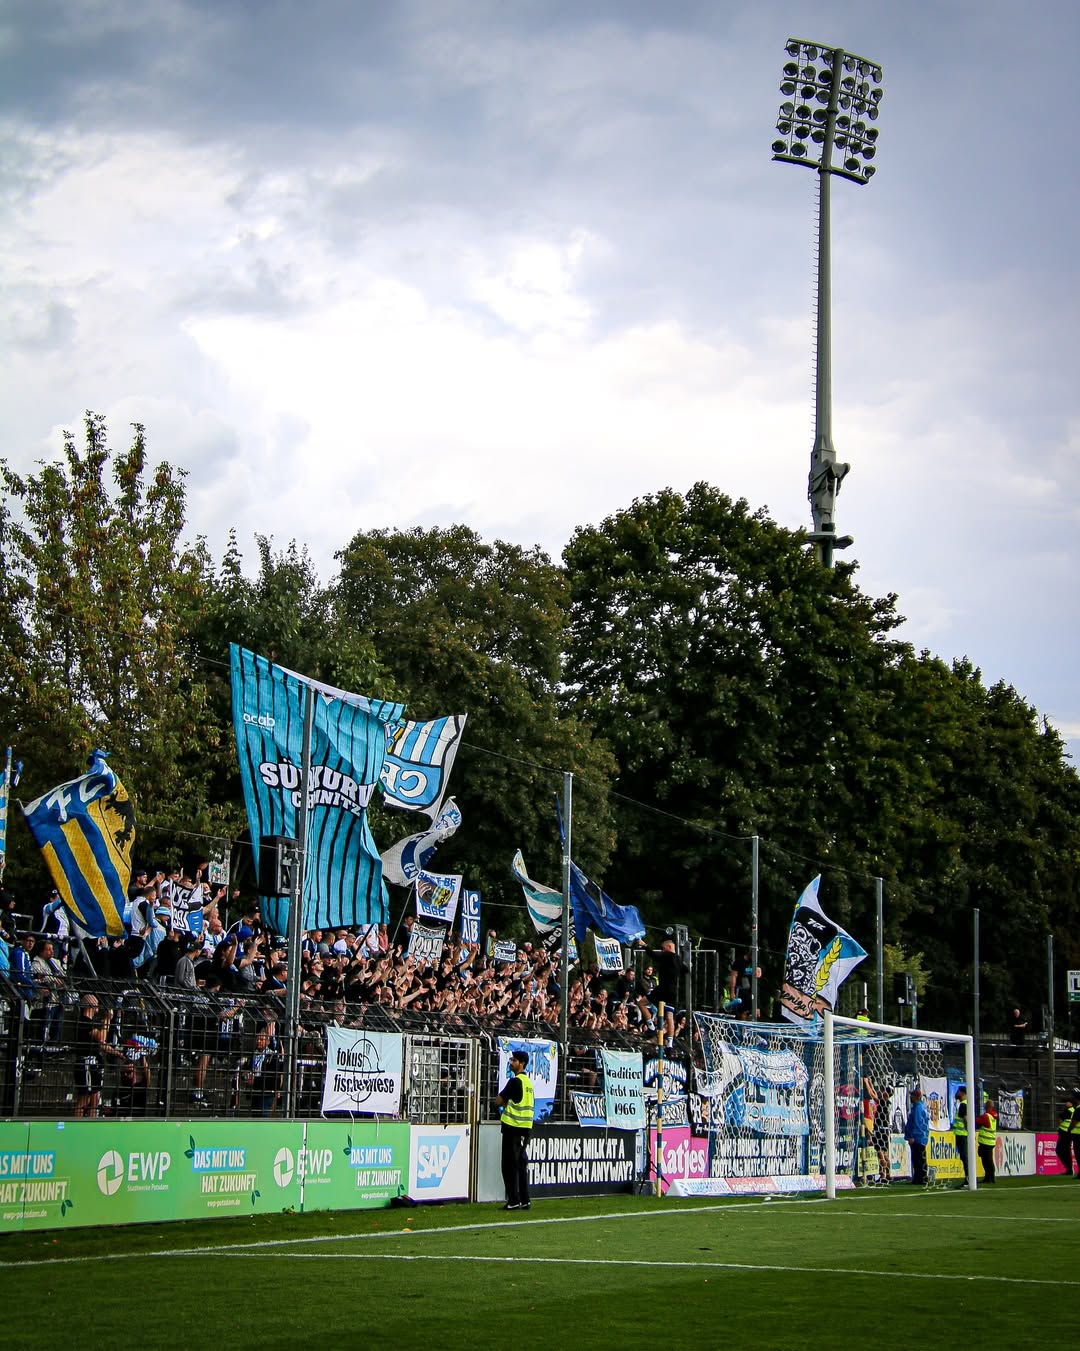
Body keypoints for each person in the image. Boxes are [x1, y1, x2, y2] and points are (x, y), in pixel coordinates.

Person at [496, 1048, 534, 1211]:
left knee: (509, 1166)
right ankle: (525, 1200)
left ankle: (513, 1200)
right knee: (521, 1165)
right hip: (525, 1129)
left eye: (514, 1061)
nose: (511, 1063)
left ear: (521, 1063)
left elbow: (498, 1100)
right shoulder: (528, 1083)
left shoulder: (515, 1081)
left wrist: (505, 1103)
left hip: (512, 1128)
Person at [654, 937, 689, 1041]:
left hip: (664, 989)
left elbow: (653, 955)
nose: (662, 951)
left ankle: (651, 1027)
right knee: (669, 1015)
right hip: (673, 991)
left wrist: (645, 946)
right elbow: (686, 970)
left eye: (663, 949)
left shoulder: (668, 955)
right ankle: (670, 1043)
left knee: (645, 1003)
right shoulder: (678, 959)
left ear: (669, 947)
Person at [862, 1076, 890, 1182]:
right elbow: (874, 1093)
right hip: (885, 1130)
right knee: (885, 1154)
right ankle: (886, 1174)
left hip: (880, 1131)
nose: (881, 1092)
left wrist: (866, 1083)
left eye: (883, 1092)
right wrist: (870, 1082)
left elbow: (871, 1094)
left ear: (886, 1095)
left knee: (880, 1154)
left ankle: (884, 1174)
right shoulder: (886, 1103)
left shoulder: (883, 1102)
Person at [905, 1085, 930, 1184]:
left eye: (912, 1095)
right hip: (921, 1137)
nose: (910, 1097)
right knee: (920, 1158)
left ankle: (921, 1178)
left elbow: (917, 1123)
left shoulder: (918, 1108)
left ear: (916, 1097)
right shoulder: (920, 1106)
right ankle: (920, 1177)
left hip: (918, 1137)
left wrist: (912, 1136)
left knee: (918, 1158)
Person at [975, 1097, 998, 1183]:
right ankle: (990, 1177)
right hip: (991, 1141)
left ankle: (989, 1177)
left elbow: (976, 1121)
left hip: (985, 1142)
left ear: (987, 1106)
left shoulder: (986, 1116)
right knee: (989, 1160)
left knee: (986, 1161)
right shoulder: (993, 1116)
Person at [952, 1086, 970, 1184]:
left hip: (962, 1135)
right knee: (964, 1157)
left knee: (964, 1157)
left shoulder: (963, 1105)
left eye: (958, 1091)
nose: (957, 1093)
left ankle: (968, 1178)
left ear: (962, 1093)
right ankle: (968, 1178)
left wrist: (969, 1132)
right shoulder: (966, 1104)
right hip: (963, 1134)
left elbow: (966, 1119)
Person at [1056, 1096, 1075, 1177]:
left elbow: (1060, 1120)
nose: (1065, 1104)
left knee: (1060, 1150)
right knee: (1066, 1151)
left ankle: (1069, 1169)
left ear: (1070, 1103)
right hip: (1069, 1133)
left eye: (1066, 1102)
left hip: (1065, 1133)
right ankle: (1069, 1169)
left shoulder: (1068, 1111)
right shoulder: (1074, 1110)